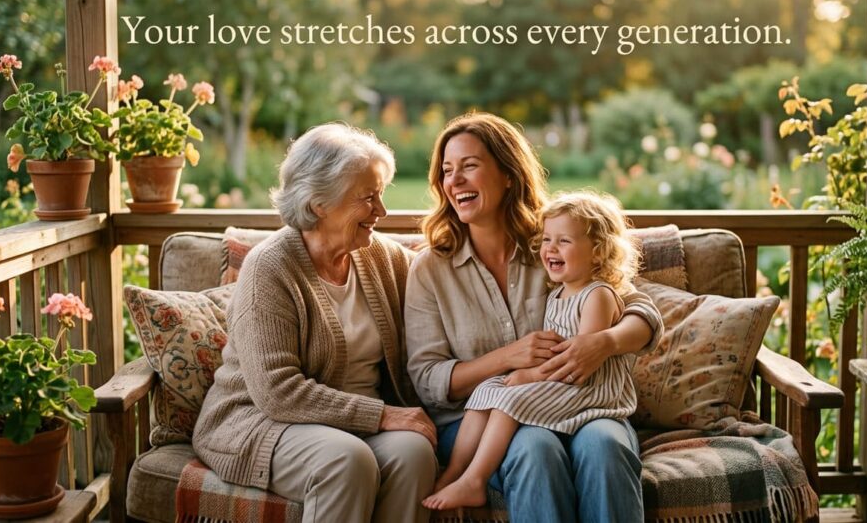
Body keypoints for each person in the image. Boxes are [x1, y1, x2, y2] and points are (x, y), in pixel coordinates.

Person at [406, 112, 664, 523]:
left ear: (508, 174)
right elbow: (428, 380)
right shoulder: (431, 269)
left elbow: (640, 311)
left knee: (605, 445)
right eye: (447, 170)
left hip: (584, 405)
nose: (454, 181)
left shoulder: (553, 245)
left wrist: (604, 343)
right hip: (481, 421)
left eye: (469, 166)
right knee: (534, 449)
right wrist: (508, 358)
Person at [192, 123, 438, 523]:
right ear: (319, 202)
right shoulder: (269, 268)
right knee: (345, 459)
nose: (382, 211)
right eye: (368, 197)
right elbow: (278, 392)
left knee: (413, 453)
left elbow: (443, 284)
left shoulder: (383, 258)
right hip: (262, 421)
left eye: (382, 193)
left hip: (349, 427)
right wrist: (383, 415)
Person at [422, 191, 642, 511]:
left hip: (585, 389)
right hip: (558, 384)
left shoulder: (597, 294)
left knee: (513, 399)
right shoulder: (558, 291)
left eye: (563, 241)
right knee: (487, 390)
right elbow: (427, 376)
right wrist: (511, 366)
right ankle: (457, 472)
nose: (550, 248)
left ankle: (475, 479)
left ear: (598, 252)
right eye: (547, 240)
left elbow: (581, 360)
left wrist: (528, 375)